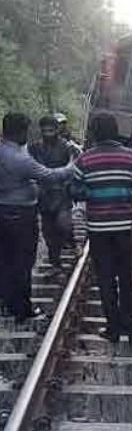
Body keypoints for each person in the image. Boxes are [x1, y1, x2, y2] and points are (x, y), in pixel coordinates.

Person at [72, 114, 132, 344]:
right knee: (128, 277)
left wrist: (95, 192)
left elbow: (76, 192)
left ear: (94, 133)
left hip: (99, 229)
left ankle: (113, 329)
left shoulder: (84, 161)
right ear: (116, 131)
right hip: (126, 229)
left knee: (105, 279)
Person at [0, 113, 75, 322]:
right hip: (20, 216)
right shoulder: (20, 158)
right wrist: (72, 166)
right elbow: (51, 176)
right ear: (19, 132)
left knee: (4, 260)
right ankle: (22, 309)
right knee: (23, 262)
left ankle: (5, 304)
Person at [29, 115, 79, 273]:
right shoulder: (35, 148)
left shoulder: (67, 147)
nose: (48, 134)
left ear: (57, 130)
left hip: (62, 194)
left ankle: (66, 246)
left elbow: (75, 167)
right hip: (44, 195)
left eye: (51, 130)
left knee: (63, 225)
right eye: (45, 131)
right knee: (48, 231)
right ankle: (55, 262)